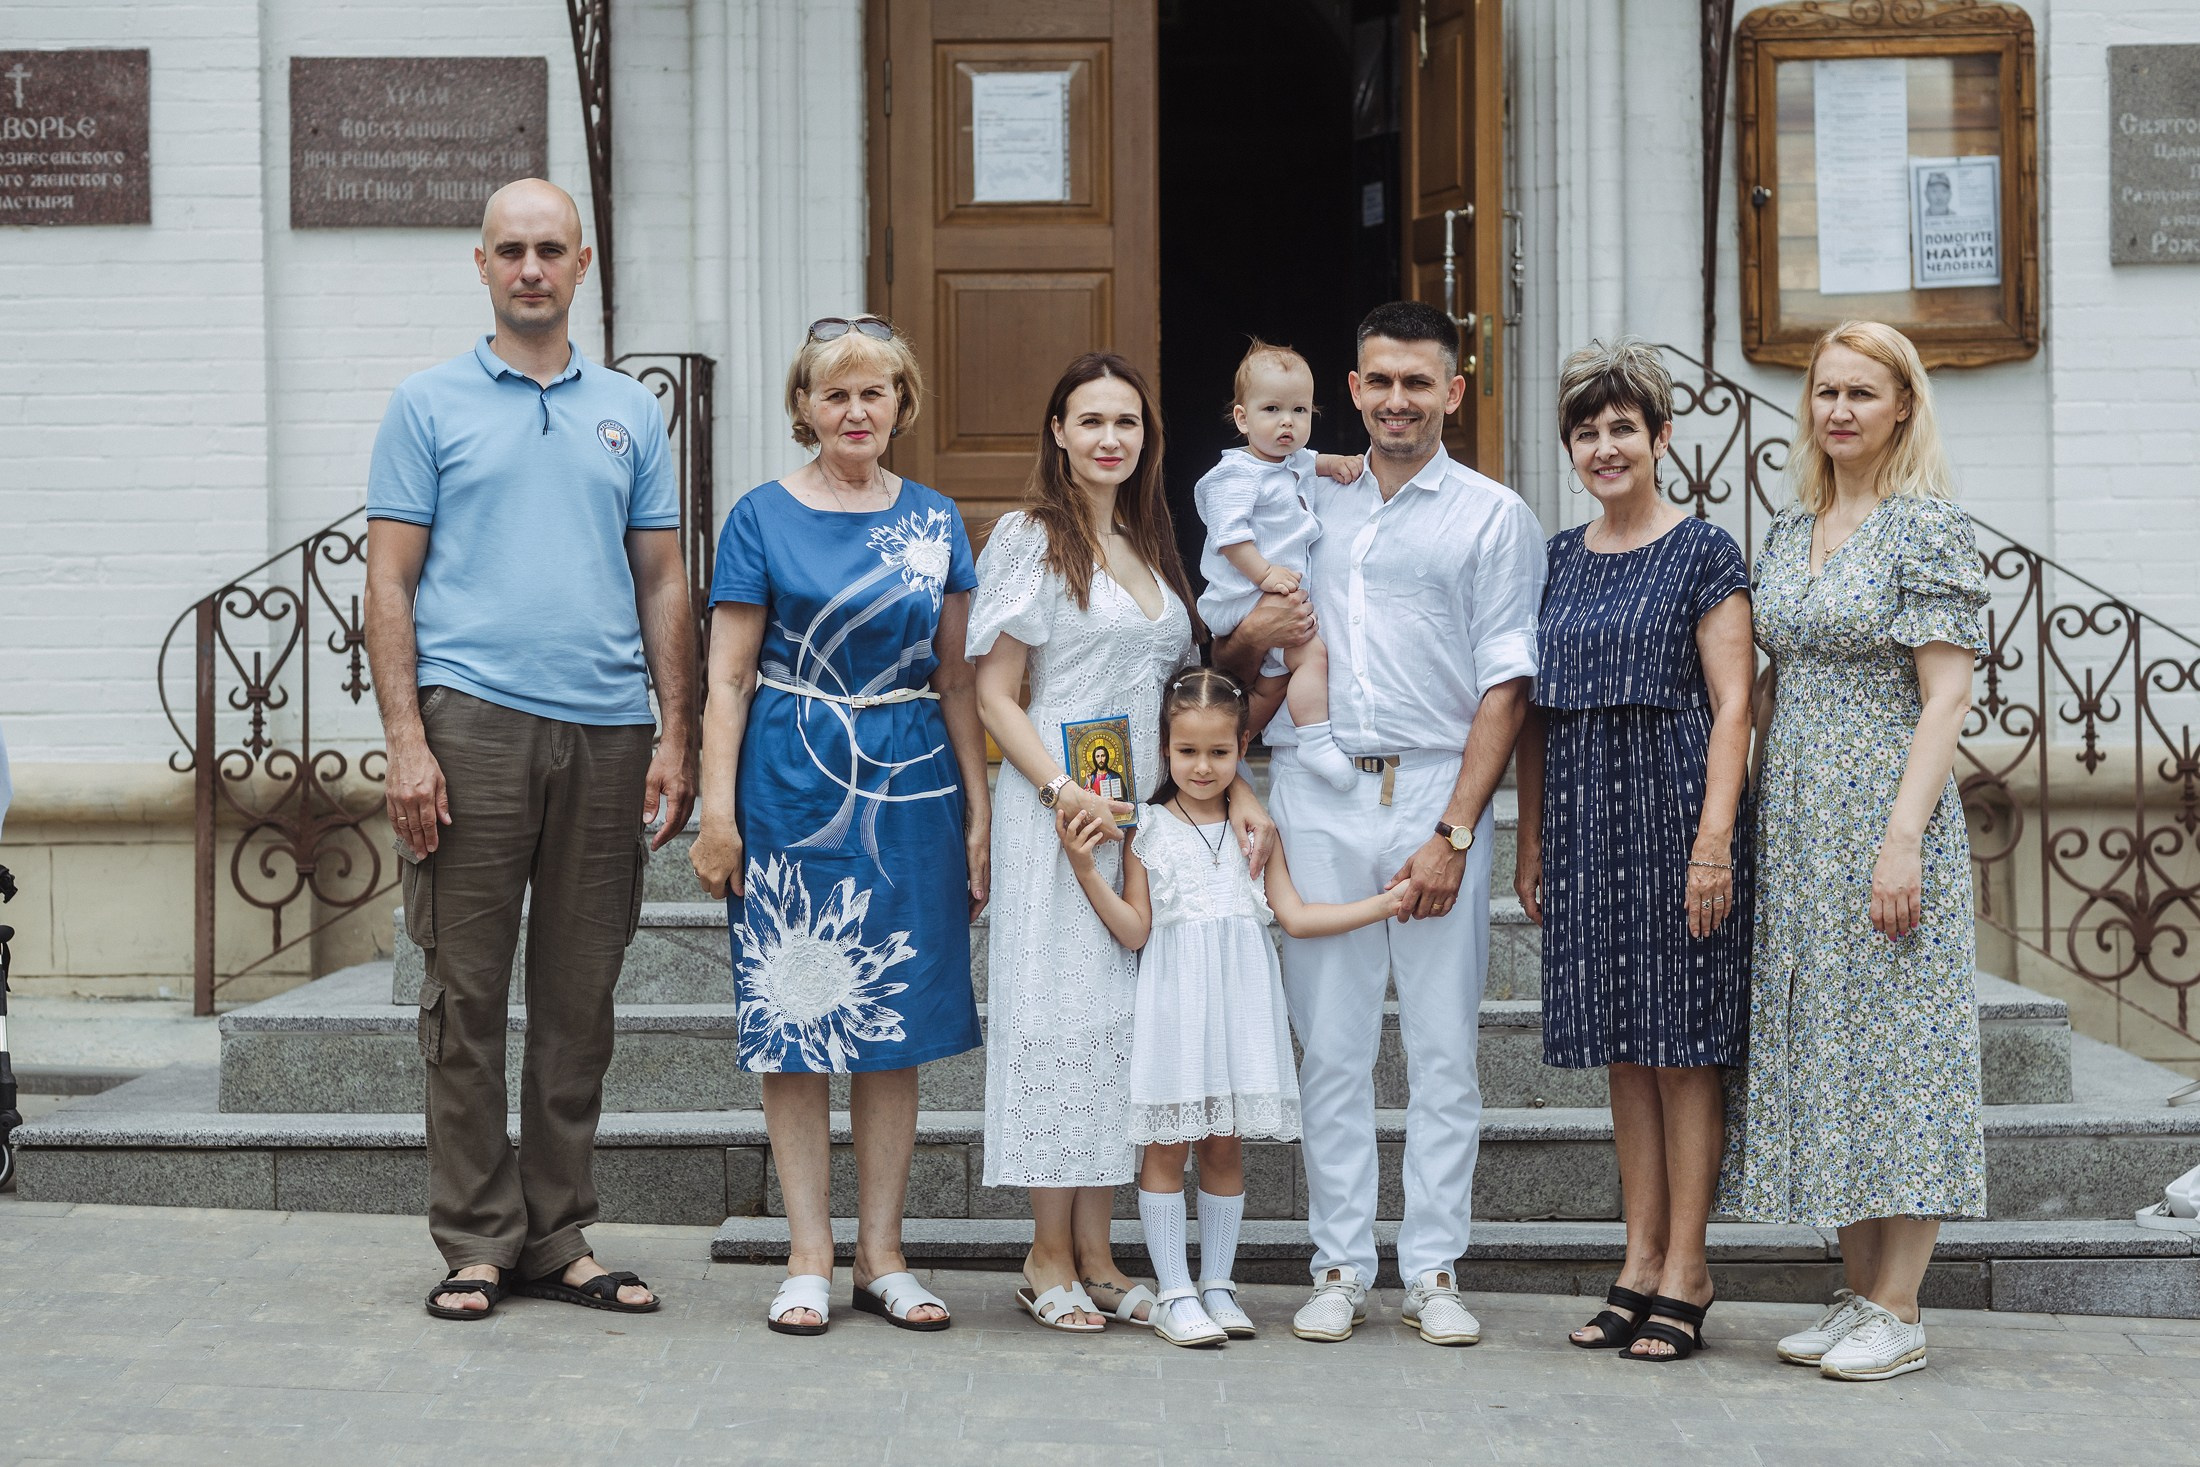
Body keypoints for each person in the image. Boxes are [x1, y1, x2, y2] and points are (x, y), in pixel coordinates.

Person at [364, 178, 695, 1321]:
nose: (531, 269)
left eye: (550, 249)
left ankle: (558, 1233)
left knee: (579, 995)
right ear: (482, 264)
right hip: (472, 725)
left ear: (583, 263)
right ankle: (475, 1238)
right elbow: (389, 579)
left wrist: (676, 731)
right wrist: (407, 742)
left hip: (607, 731)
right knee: (463, 994)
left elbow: (661, 575)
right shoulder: (428, 404)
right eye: (510, 250)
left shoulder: (629, 413)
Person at [1216, 299, 1544, 1347]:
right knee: (1334, 1046)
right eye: (1377, 381)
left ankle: (1434, 1267)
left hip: (1436, 786)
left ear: (1452, 392)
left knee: (1444, 1047)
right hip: (1316, 789)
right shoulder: (1302, 500)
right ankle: (1339, 1264)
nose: (1396, 400)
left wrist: (1454, 832)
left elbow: (1506, 686)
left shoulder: (1493, 516)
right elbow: (1238, 652)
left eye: (1418, 382)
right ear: (1351, 392)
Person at [689, 315, 988, 1336]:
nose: (855, 411)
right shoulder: (760, 518)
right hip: (788, 779)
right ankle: (808, 1253)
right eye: (835, 395)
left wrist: (979, 812)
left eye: (875, 394)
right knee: (796, 1016)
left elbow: (955, 680)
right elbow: (726, 678)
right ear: (804, 409)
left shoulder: (939, 521)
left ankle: (883, 1254)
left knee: (892, 1020)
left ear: (902, 405)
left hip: (909, 787)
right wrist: (715, 811)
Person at [969, 352, 1272, 1333]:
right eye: (1089, 420)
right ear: (1057, 431)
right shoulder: (1029, 538)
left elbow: (1178, 699)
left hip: (1142, 821)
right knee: (1056, 1020)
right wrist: (1063, 793)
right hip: (1059, 817)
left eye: (1127, 423)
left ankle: (1099, 1255)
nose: (1109, 438)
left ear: (1146, 439)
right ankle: (1044, 1253)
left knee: (1119, 1033)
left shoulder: (1150, 545)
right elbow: (993, 694)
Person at [1718, 320, 1988, 1383]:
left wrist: (1901, 837)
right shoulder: (1790, 534)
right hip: (1798, 827)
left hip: (1887, 815)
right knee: (1832, 1049)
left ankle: (1902, 1307)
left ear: (1901, 408)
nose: (1837, 411)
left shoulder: (1926, 528)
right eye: (1825, 392)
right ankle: (1856, 1292)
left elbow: (1948, 693)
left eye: (1860, 395)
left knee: (1904, 1055)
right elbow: (1770, 683)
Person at [1512, 338, 1753, 1362]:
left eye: (1623, 428)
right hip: (1579, 815)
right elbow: (1527, 709)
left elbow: (1735, 702)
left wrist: (1712, 842)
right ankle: (1637, 1257)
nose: (1605, 447)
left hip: (1671, 811)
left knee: (1683, 1047)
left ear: (1659, 437)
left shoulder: (1704, 552)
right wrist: (1526, 838)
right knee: (1621, 1044)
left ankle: (1688, 1266)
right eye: (1586, 431)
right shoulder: (1559, 557)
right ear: (1569, 448)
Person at [1058, 667, 1405, 1347]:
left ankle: (1217, 1283)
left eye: (1219, 752)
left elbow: (1297, 916)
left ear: (1242, 747)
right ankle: (1175, 1289)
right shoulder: (1147, 828)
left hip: (1239, 1010)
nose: (1202, 765)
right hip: (1174, 1008)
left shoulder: (1257, 832)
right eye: (1187, 751)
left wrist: (1385, 902)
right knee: (1166, 1147)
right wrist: (1081, 870)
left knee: (1223, 1146)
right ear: (1165, 748)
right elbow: (1135, 928)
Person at [1191, 341, 1365, 793]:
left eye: (1300, 410)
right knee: (1312, 656)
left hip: (1275, 596)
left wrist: (1340, 464)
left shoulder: (1294, 462)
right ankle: (1315, 739)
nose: (1287, 421)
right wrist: (1265, 575)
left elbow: (1315, 462)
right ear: (1243, 418)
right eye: (1272, 409)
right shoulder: (1236, 475)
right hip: (1247, 595)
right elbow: (1229, 538)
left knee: (1279, 679)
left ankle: (1238, 750)